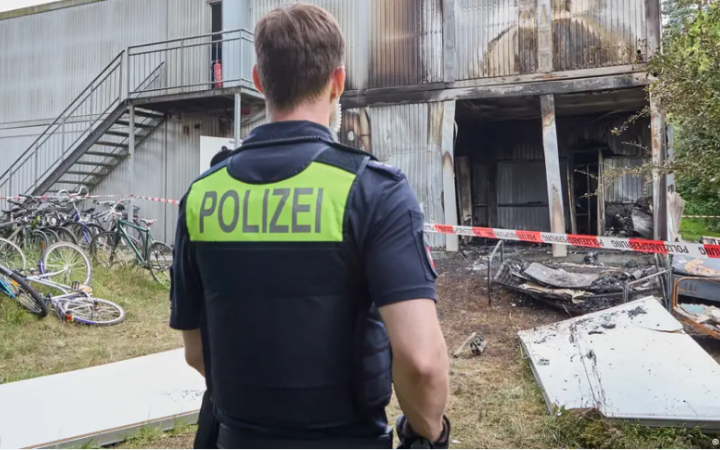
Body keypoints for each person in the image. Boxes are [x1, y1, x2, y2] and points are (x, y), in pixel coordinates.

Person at [170, 3, 450, 449]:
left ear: (259, 81)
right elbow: (421, 363)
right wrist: (430, 433)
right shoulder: (372, 190)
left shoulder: (202, 195)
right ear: (337, 82)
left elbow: (197, 352)